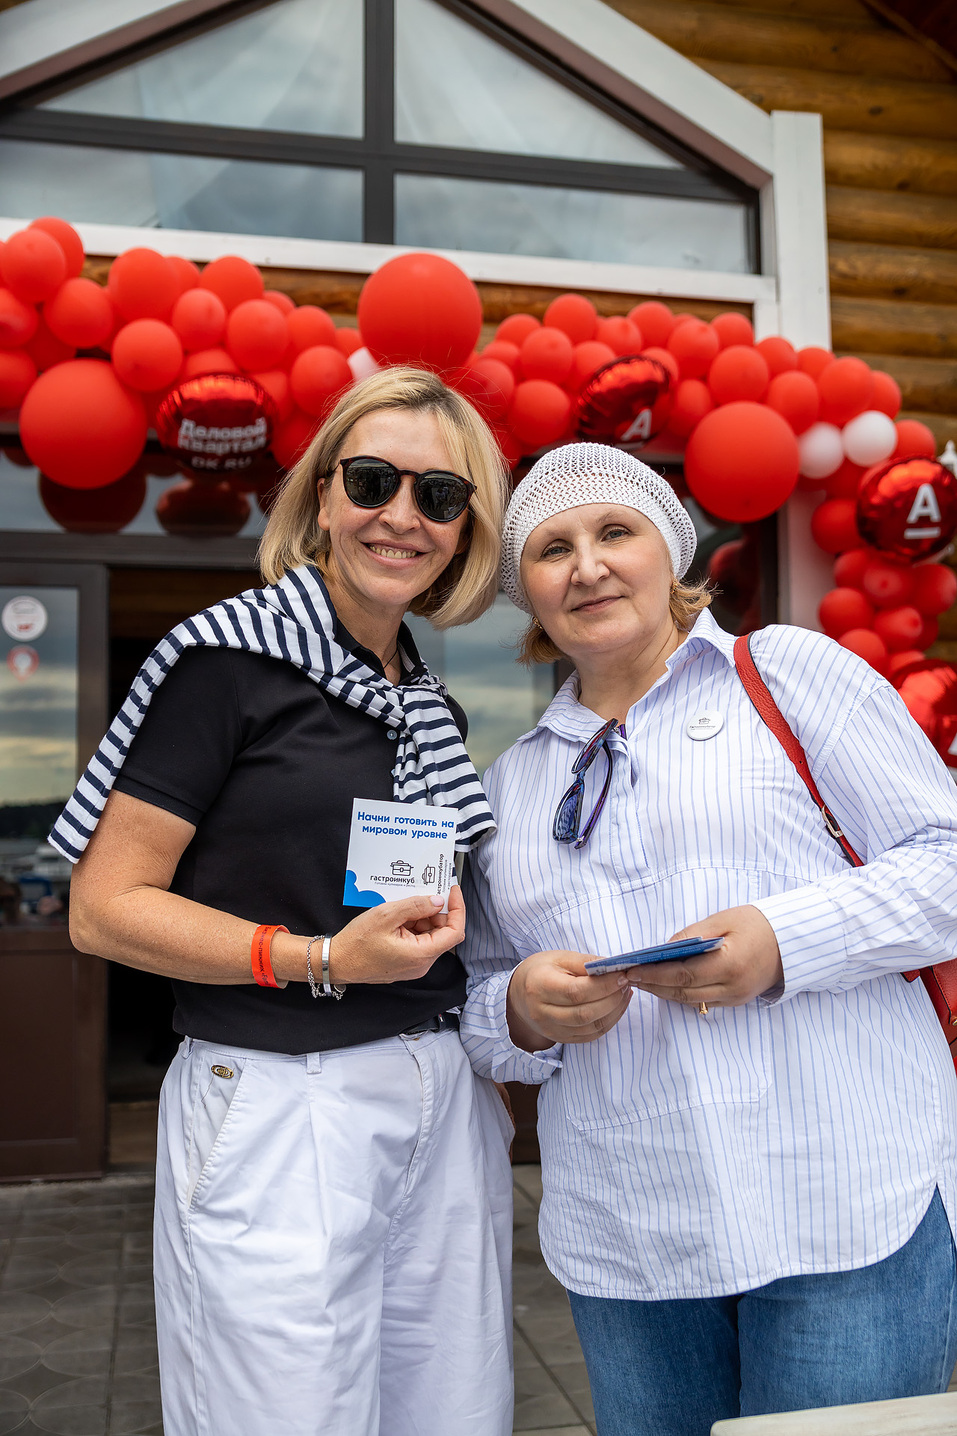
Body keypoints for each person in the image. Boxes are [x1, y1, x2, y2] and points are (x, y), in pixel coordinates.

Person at [459, 440, 957, 1435]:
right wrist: (520, 1006)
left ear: (671, 552)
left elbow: (945, 859)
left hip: (846, 1202)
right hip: (632, 1236)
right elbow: (473, 1002)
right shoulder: (512, 784)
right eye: (552, 549)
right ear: (530, 595)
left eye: (614, 531)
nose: (588, 563)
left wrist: (783, 937)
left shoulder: (788, 673)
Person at [53, 367, 515, 1436]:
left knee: (454, 1409)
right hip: (278, 1093)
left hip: (435, 1089)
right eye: (372, 480)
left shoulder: (422, 698)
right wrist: (318, 957)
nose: (403, 515)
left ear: (463, 531)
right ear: (321, 496)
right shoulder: (225, 660)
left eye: (440, 496)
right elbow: (103, 906)